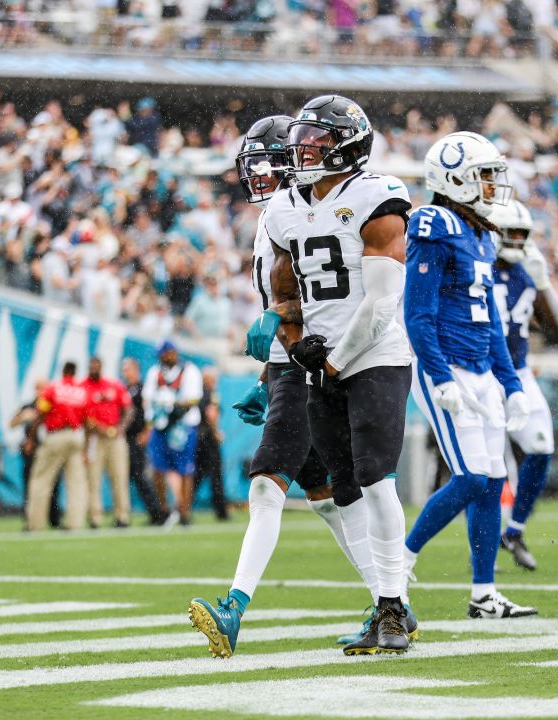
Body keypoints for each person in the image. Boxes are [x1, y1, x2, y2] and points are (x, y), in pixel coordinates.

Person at [190, 115, 395, 659]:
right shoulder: (282, 214)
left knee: (266, 484)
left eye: (267, 159)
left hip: (312, 364)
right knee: (331, 498)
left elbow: (317, 297)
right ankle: (390, 602)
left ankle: (233, 607)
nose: (257, 172)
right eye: (252, 162)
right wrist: (267, 373)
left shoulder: (306, 212)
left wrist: (282, 337)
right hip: (291, 365)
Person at [263, 95, 414, 655]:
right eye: (302, 139)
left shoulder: (378, 198)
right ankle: (385, 601)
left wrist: (330, 359)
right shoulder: (285, 207)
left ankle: (394, 611)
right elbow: (283, 292)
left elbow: (379, 305)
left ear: (348, 145)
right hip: (321, 361)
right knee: (342, 488)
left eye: (318, 140)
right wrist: (298, 345)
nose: (304, 149)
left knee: (376, 479)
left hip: (374, 357)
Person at [401, 131, 539, 621]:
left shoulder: (479, 232)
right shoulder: (432, 223)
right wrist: (439, 376)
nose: (490, 186)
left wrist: (513, 382)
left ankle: (484, 594)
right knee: (470, 477)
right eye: (482, 176)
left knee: (493, 479)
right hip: (446, 366)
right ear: (454, 178)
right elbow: (417, 314)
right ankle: (400, 561)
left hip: (481, 368)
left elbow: (494, 322)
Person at [486, 198, 558, 571]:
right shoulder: (478, 265)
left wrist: (544, 283)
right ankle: (484, 548)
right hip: (480, 373)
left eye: (523, 234)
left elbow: (557, 327)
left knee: (541, 446)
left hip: (518, 373)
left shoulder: (526, 272)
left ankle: (514, 530)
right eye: (511, 234)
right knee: (486, 469)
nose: (518, 241)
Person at [144, 340, 203, 526]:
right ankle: (164, 510)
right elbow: (147, 398)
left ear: (172, 353)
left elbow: (193, 399)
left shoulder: (190, 370)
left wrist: (171, 406)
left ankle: (185, 512)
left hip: (183, 426)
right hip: (161, 426)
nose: (161, 357)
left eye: (164, 353)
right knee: (157, 469)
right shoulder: (155, 372)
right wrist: (154, 416)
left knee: (185, 470)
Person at [25, 361, 89, 531]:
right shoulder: (82, 392)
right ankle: (74, 523)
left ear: (62, 372)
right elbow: (87, 422)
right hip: (75, 437)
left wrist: (31, 439)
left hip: (56, 436)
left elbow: (40, 414)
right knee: (76, 483)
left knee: (41, 480)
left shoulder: (53, 389)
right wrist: (85, 448)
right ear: (75, 373)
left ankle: (35, 524)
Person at [82, 357, 133, 528]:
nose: (94, 368)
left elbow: (129, 408)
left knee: (119, 477)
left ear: (101, 367)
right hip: (94, 438)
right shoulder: (83, 387)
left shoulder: (114, 385)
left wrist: (121, 427)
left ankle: (122, 516)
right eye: (91, 365)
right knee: (93, 479)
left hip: (115, 438)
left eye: (97, 365)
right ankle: (95, 518)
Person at [10, 380, 62, 528]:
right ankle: (30, 519)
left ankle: (54, 520)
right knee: (31, 486)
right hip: (31, 453)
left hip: (49, 450)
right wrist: (22, 417)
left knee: (53, 486)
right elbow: (11, 424)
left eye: (43, 388)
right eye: (38, 388)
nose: (40, 391)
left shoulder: (54, 406)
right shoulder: (29, 406)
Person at [121, 358, 167, 525]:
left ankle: (158, 513)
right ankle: (130, 515)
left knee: (140, 477)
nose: (126, 372)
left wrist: (147, 432)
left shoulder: (142, 390)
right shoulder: (126, 389)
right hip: (126, 439)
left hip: (137, 438)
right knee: (131, 477)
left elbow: (151, 411)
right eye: (124, 369)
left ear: (136, 370)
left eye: (128, 369)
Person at [195, 367, 228, 520]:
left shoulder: (198, 394)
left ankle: (183, 507)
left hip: (199, 438)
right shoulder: (211, 394)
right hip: (208, 439)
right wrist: (215, 432)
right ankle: (221, 512)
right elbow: (212, 413)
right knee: (216, 476)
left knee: (197, 476)